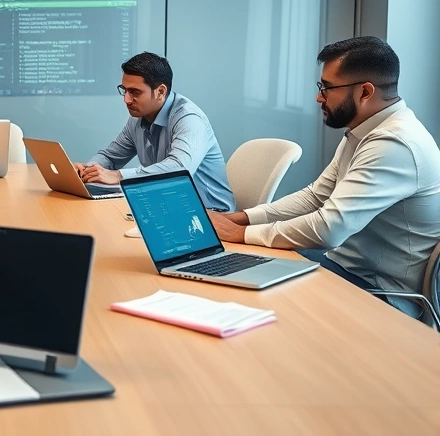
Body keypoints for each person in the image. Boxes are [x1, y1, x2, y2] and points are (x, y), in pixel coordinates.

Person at [209, 37, 440, 316]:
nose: (319, 97)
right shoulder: (364, 131)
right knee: (233, 268)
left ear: (365, 92)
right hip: (341, 266)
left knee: (246, 294)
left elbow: (328, 228)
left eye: (327, 88)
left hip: (378, 293)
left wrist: (242, 234)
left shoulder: (394, 143)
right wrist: (240, 219)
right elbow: (316, 195)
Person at [75, 52, 236, 211]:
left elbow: (179, 169)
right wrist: (87, 171)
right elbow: (110, 157)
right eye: (124, 90)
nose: (126, 100)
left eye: (135, 92)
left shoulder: (189, 118)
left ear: (160, 92)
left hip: (210, 215)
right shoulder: (138, 118)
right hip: (168, 207)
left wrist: (118, 176)